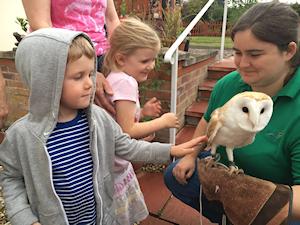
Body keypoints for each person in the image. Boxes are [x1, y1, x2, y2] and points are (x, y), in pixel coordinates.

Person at [0, 28, 207, 225]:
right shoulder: (20, 136)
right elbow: (11, 179)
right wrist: (25, 218)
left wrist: (170, 150)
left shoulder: (98, 119)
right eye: (78, 76)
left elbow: (127, 146)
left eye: (91, 74)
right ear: (44, 81)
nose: (90, 83)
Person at [164, 2, 300, 224]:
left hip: (276, 193)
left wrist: (264, 199)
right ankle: (227, 216)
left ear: (289, 51)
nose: (243, 64)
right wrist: (190, 156)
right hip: (230, 178)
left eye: (254, 54)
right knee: (175, 174)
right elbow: (208, 121)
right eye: (237, 52)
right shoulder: (230, 84)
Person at [103, 17, 180, 224]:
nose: (151, 66)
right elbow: (127, 130)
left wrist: (144, 111)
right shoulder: (126, 82)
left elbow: (118, 118)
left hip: (113, 159)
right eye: (145, 61)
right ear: (121, 59)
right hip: (115, 162)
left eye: (153, 59)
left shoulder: (115, 77)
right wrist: (162, 122)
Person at [21, 0, 119, 115]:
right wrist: (87, 72)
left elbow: (112, 20)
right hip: (66, 59)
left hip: (105, 58)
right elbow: (41, 26)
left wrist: (115, 62)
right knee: (71, 121)